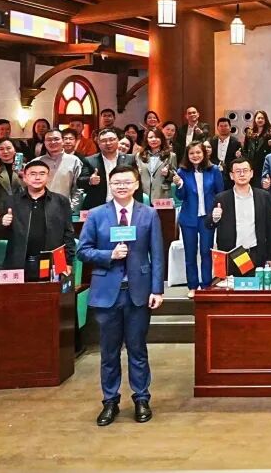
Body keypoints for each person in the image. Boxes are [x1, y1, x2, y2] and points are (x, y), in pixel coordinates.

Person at [76, 164, 163, 426]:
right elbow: (83, 251)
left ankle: (141, 398)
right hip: (107, 292)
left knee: (138, 349)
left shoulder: (149, 214)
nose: (121, 186)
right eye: (116, 183)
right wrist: (109, 255)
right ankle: (110, 401)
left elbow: (157, 254)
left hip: (138, 292)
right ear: (110, 185)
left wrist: (157, 289)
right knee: (109, 352)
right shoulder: (96, 215)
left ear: (136, 184)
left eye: (127, 182)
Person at [0, 158, 75, 281]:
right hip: (18, 262)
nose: (37, 177)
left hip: (53, 261)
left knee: (51, 292)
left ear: (48, 177)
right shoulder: (11, 201)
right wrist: (3, 222)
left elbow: (68, 234)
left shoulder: (61, 201)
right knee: (16, 293)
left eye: (42, 174)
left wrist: (68, 261)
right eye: (33, 174)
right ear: (25, 177)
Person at [172, 141, 224, 297]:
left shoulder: (214, 170)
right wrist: (179, 185)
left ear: (204, 153)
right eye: (192, 153)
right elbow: (180, 197)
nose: (195, 156)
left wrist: (218, 210)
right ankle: (193, 286)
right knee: (190, 253)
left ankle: (206, 285)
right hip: (188, 218)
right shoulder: (182, 172)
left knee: (206, 252)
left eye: (198, 152)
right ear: (187, 155)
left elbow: (220, 192)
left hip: (207, 218)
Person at [208, 158, 271, 274]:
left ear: (251, 173)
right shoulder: (222, 198)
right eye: (238, 171)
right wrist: (214, 218)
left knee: (256, 285)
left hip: (256, 253)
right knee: (234, 285)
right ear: (231, 175)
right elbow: (208, 224)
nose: (242, 174)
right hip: (233, 254)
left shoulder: (263, 196)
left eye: (245, 170)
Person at [78, 129, 138, 211]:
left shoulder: (130, 159)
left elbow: (137, 184)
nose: (108, 143)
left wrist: (138, 207)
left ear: (117, 141)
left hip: (124, 205)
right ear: (98, 143)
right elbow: (80, 181)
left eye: (112, 139)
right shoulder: (90, 160)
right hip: (97, 206)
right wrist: (90, 180)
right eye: (104, 141)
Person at [136, 128, 177, 205]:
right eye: (150, 137)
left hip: (162, 196)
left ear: (162, 139)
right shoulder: (139, 156)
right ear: (147, 140)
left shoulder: (171, 156)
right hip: (144, 195)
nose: (154, 139)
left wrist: (168, 174)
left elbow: (175, 177)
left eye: (157, 137)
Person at [0, 137, 24, 213]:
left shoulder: (25, 167)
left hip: (21, 206)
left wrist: (22, 176)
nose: (5, 151)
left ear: (15, 150)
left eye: (8, 148)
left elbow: (30, 187)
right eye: (1, 149)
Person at [242, 110, 271, 182]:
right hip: (251, 164)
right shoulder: (249, 132)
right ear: (255, 119)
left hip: (264, 163)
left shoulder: (270, 132)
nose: (260, 120)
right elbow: (245, 149)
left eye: (262, 118)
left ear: (265, 120)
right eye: (258, 118)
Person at [209, 117, 242, 186]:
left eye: (225, 126)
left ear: (230, 128)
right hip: (214, 173)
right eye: (221, 126)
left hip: (229, 175)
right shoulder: (211, 141)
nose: (223, 128)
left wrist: (239, 156)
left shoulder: (236, 142)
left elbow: (239, 159)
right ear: (217, 128)